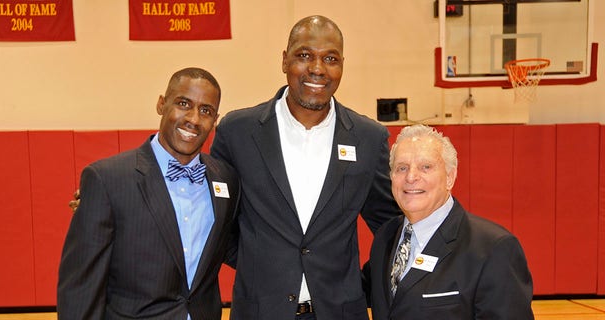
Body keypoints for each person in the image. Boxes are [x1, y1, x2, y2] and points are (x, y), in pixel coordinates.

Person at [209, 15, 401, 320]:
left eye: (330, 59)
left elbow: (391, 227)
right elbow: (218, 221)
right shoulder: (238, 132)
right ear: (285, 61)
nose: (317, 68)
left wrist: (360, 280)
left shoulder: (368, 138)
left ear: (341, 66)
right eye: (304, 55)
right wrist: (257, 261)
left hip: (340, 312)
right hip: (260, 312)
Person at [57, 67, 240, 320]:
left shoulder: (226, 179)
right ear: (161, 104)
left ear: (215, 119)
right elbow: (81, 286)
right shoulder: (108, 179)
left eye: (206, 111)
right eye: (183, 103)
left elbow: (234, 246)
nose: (194, 119)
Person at [367, 124, 534, 320]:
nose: (411, 177)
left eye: (425, 167)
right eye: (401, 168)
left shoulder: (493, 248)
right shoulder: (385, 237)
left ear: (450, 177)